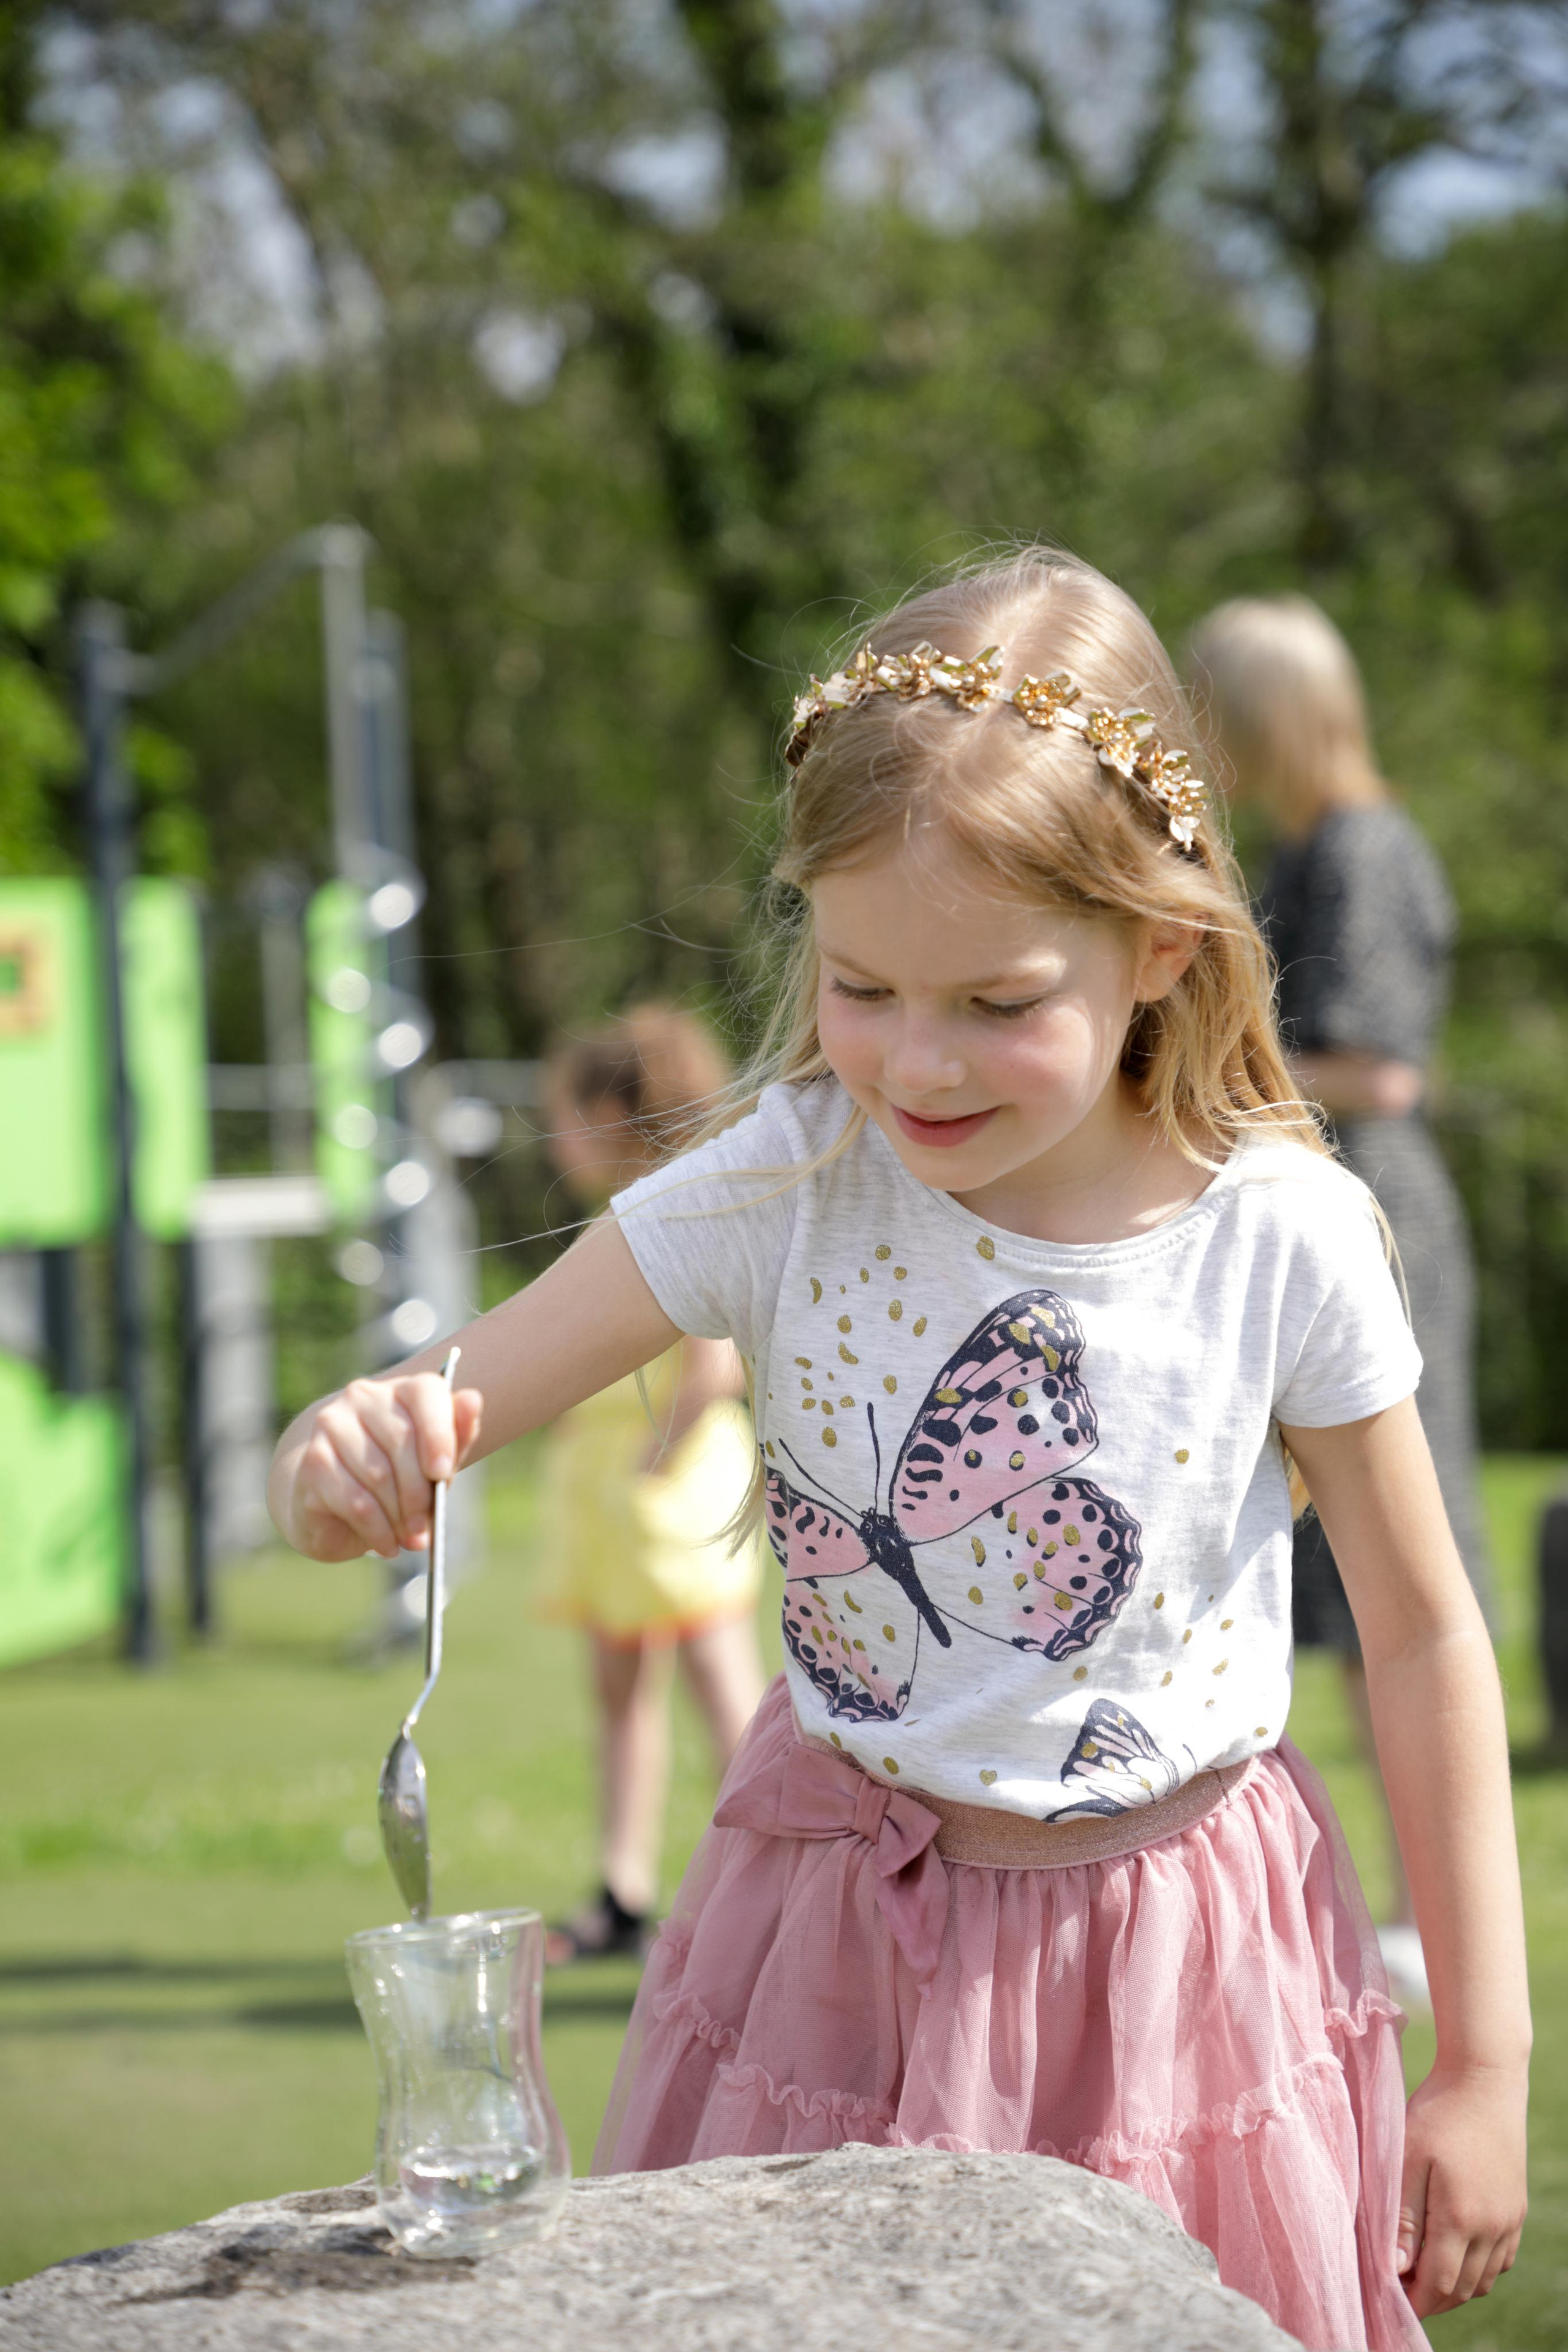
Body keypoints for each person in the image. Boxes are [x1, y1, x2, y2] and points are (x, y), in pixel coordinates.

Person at [268, 551, 1528, 2352]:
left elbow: (1420, 1635)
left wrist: (1485, 2064)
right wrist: (345, 1457)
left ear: (1160, 945)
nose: (918, 1065)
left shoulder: (1281, 1235)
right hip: (824, 1960)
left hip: (1177, 1980)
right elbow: (435, 1407)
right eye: (864, 986)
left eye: (998, 1003)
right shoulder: (784, 1180)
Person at [1192, 595, 1490, 2011]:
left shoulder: (1360, 848)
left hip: (1372, 1220)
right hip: (1324, 1210)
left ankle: (1428, 1921)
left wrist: (1200, 1066)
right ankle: (1386, 1908)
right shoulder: (1305, 846)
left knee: (1401, 1581)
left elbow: (1378, 1070)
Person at [535, 1007, 766, 1960]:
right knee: (620, 1692)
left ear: (610, 1114)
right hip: (617, 1500)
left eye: (567, 1117)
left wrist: (654, 1463)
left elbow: (715, 1367)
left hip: (671, 1498)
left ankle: (770, 1892)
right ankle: (623, 1891)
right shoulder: (618, 1219)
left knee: (725, 1694)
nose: (557, 1138)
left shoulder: (678, 1213)